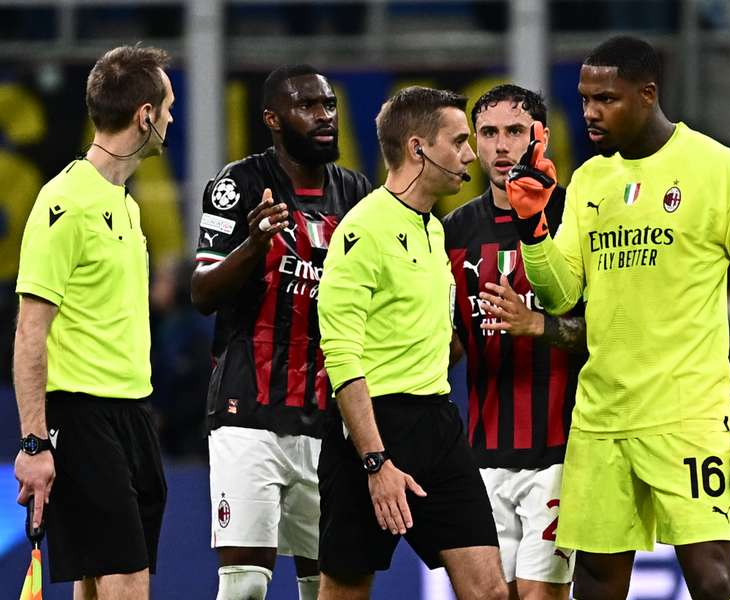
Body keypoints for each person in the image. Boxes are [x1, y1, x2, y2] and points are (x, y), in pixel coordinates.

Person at [505, 36, 730, 600]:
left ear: (648, 94)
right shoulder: (591, 181)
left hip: (686, 412)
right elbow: (561, 292)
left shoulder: (718, 169)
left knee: (713, 580)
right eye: (585, 97)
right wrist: (533, 229)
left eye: (606, 99)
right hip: (602, 417)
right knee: (595, 582)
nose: (590, 111)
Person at [316, 86, 507, 600]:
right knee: (347, 590)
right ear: (419, 148)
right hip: (371, 431)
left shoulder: (433, 231)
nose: (471, 155)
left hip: (438, 424)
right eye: (460, 141)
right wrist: (375, 463)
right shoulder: (362, 231)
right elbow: (341, 355)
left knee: (490, 591)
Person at [190, 64, 371, 600]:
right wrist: (253, 247)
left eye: (330, 105)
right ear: (272, 118)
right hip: (248, 412)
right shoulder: (238, 185)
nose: (325, 117)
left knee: (324, 585)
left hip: (327, 420)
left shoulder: (357, 192)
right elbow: (201, 293)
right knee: (245, 584)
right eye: (308, 106)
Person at [13, 45, 173, 599]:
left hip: (132, 414)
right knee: (127, 577)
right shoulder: (64, 201)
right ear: (145, 115)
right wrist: (34, 444)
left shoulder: (125, 205)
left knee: (101, 578)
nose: (172, 118)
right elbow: (29, 331)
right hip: (81, 417)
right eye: (168, 106)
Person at [442, 84, 586, 600]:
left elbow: (609, 334)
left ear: (539, 137)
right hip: (480, 456)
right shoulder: (453, 232)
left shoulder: (575, 217)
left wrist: (539, 325)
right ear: (474, 144)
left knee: (539, 595)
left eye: (515, 132)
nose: (501, 147)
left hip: (558, 454)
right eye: (488, 133)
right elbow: (450, 341)